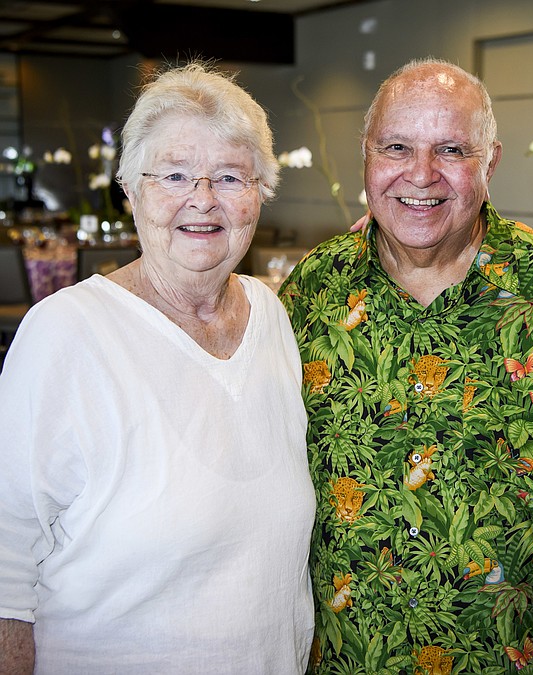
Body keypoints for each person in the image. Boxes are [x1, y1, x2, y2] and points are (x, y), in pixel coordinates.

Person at [280, 58, 533, 673]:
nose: (421, 174)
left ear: (490, 163)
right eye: (396, 147)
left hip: (507, 658)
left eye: (451, 150)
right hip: (347, 657)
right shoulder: (315, 288)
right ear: (366, 157)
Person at [0, 62, 315, 673]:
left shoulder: (272, 316)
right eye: (174, 175)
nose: (203, 199)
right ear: (131, 190)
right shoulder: (66, 333)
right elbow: (6, 567)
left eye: (231, 176)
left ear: (260, 194)